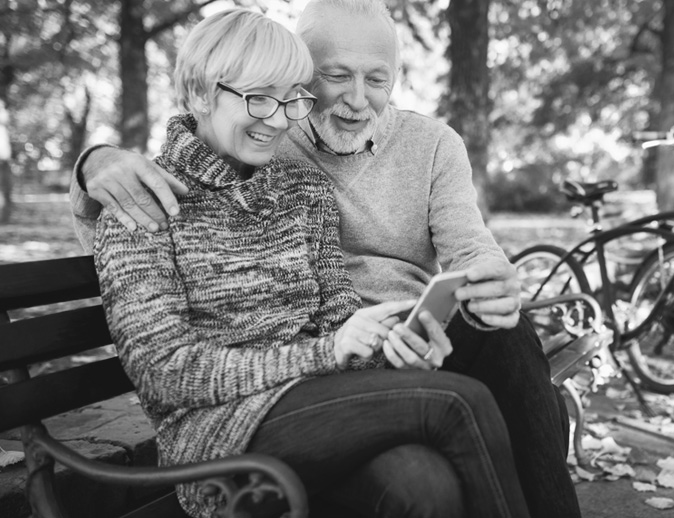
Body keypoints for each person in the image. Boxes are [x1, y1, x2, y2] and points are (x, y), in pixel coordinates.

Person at [71, 1, 582, 516]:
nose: (278, 117)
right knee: (457, 403)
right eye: (333, 77)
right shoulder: (145, 204)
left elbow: (340, 319)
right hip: (220, 429)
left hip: (326, 393)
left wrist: (389, 348)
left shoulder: (302, 188)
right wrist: (93, 160)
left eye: (289, 98)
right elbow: (164, 372)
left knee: (424, 480)